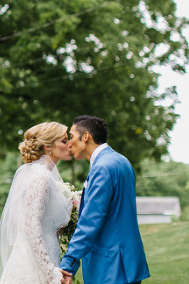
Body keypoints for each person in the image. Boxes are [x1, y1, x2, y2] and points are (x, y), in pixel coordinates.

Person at [59, 115, 150, 284]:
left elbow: (91, 220)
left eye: (71, 137)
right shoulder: (121, 161)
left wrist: (68, 263)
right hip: (128, 260)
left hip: (110, 264)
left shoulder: (102, 167)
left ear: (85, 137)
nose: (69, 143)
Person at [0, 122, 74, 284]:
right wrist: (51, 272)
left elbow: (20, 219)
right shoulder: (41, 176)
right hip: (35, 264)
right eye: (64, 141)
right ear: (48, 146)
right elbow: (30, 227)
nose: (70, 144)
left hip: (40, 254)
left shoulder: (38, 174)